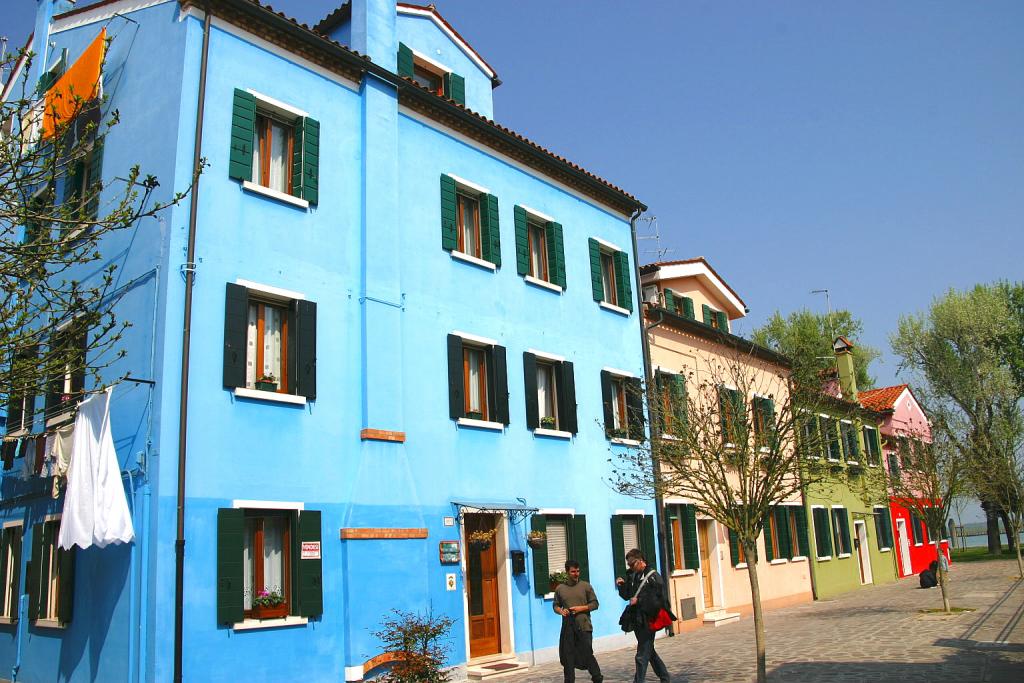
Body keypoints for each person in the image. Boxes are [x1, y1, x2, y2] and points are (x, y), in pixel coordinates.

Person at [616, 548, 671, 683]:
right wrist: (622, 585)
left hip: (649, 620)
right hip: (637, 620)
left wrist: (639, 600)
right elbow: (627, 595)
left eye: (632, 564)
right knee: (649, 651)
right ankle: (665, 677)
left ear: (641, 561)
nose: (630, 567)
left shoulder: (653, 576)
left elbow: (660, 599)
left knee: (641, 656)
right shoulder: (633, 576)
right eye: (628, 565)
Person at [553, 560, 603, 683]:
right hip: (568, 628)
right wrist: (561, 611)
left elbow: (595, 604)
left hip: (584, 627)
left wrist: (581, 608)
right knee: (568, 658)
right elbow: (555, 605)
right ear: (567, 572)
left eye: (578, 571)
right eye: (573, 571)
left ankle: (597, 678)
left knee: (587, 655)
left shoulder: (586, 586)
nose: (576, 574)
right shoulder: (560, 589)